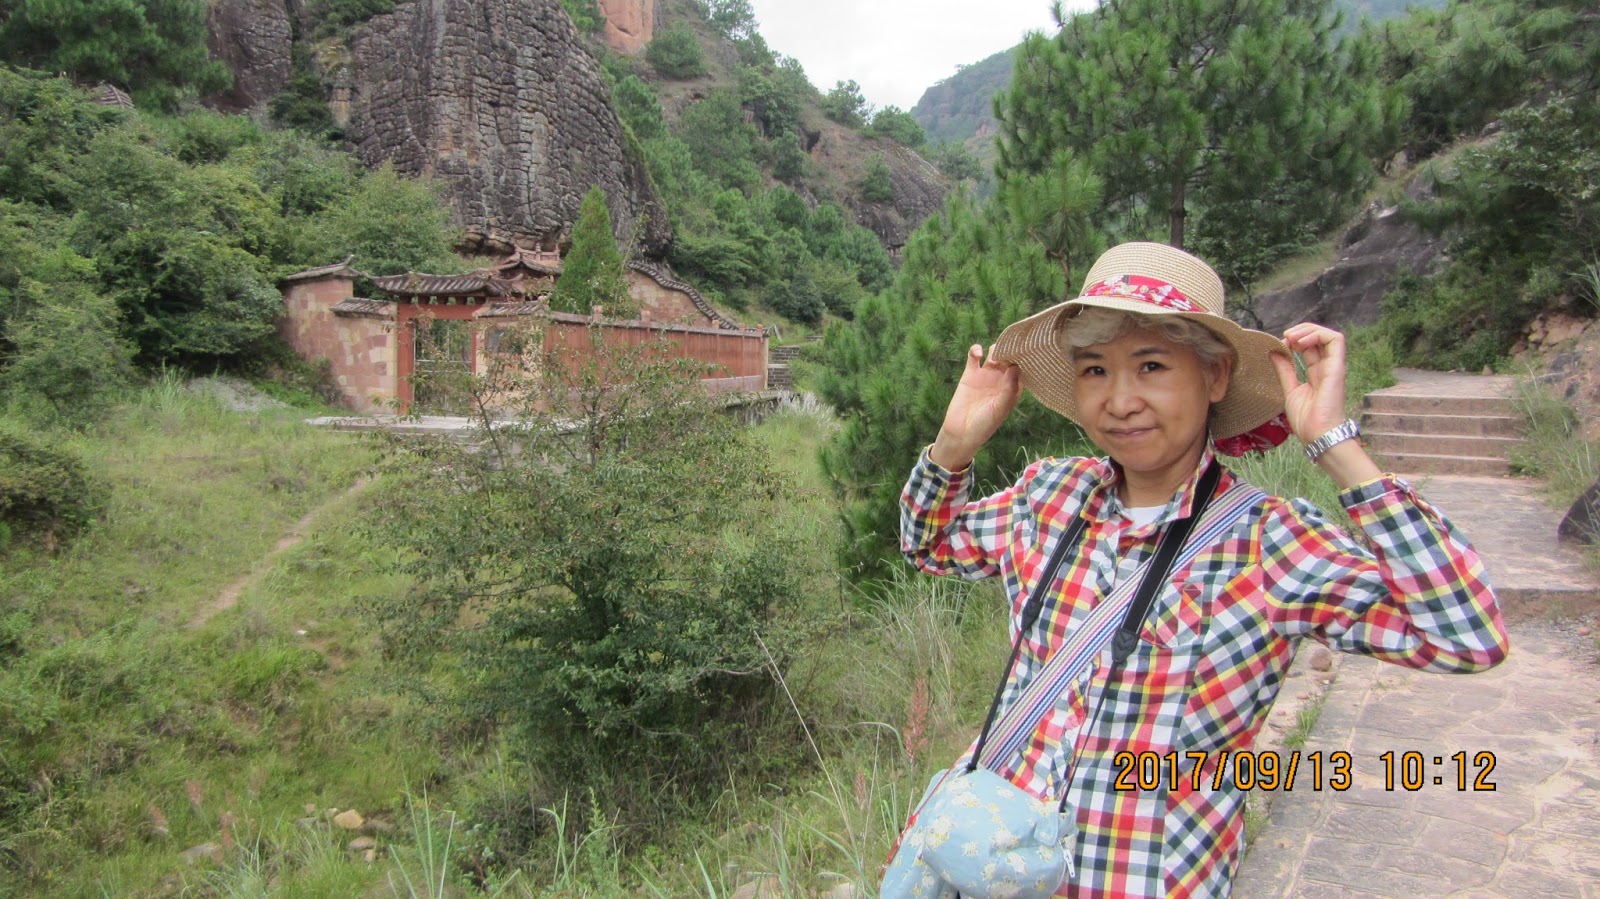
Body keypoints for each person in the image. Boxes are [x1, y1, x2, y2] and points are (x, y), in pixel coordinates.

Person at [898, 242, 1509, 898]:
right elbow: (930, 543)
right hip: (994, 874)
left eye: (1151, 365)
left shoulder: (1272, 544)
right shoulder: (1049, 498)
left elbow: (1465, 635)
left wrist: (1336, 446)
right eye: (1096, 369)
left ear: (1215, 377)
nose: (1120, 400)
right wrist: (955, 444)